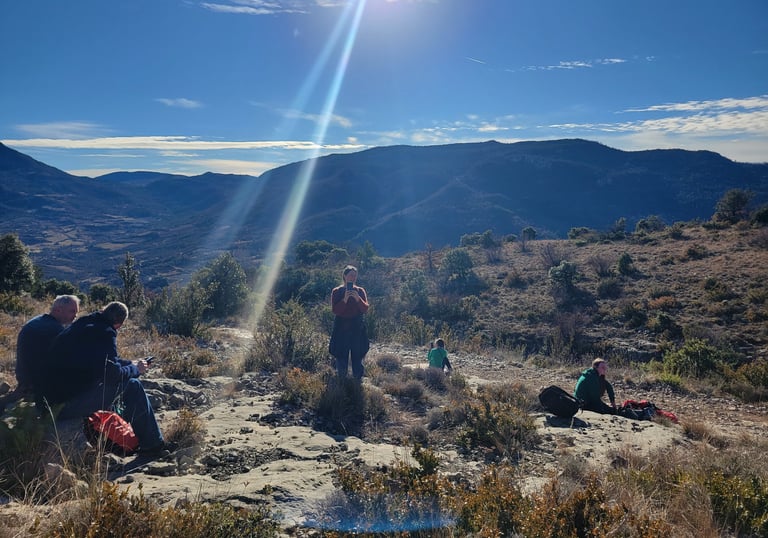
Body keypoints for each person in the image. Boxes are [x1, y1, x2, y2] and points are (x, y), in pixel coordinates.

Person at [40, 301, 172, 457]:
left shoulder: (83, 324)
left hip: (48, 400)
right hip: (66, 406)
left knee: (120, 383)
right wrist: (135, 369)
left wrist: (130, 363)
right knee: (132, 386)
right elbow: (112, 376)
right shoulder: (105, 333)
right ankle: (152, 445)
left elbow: (99, 362)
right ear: (119, 324)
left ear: (103, 311)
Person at [15, 295, 80, 397]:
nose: (75, 316)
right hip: (36, 385)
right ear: (58, 310)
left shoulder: (38, 320)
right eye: (72, 311)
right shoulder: (54, 330)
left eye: (76, 312)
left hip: (25, 378)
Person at [329, 265, 370, 380]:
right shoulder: (337, 291)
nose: (353, 278)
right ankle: (341, 380)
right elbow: (336, 310)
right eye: (351, 275)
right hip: (341, 328)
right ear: (344, 276)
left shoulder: (360, 291)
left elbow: (365, 309)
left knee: (358, 354)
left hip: (357, 328)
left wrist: (358, 299)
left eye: (355, 275)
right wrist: (345, 299)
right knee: (341, 355)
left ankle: (358, 381)